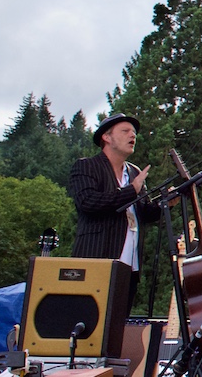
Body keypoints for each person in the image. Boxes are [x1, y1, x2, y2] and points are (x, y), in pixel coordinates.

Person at [68, 114, 160, 316]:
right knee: (88, 322)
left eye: (134, 132)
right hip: (96, 260)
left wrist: (168, 201)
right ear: (107, 138)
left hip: (129, 267)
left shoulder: (134, 172)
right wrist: (130, 191)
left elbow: (144, 211)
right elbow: (88, 203)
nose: (132, 136)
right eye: (125, 131)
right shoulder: (86, 166)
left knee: (117, 326)